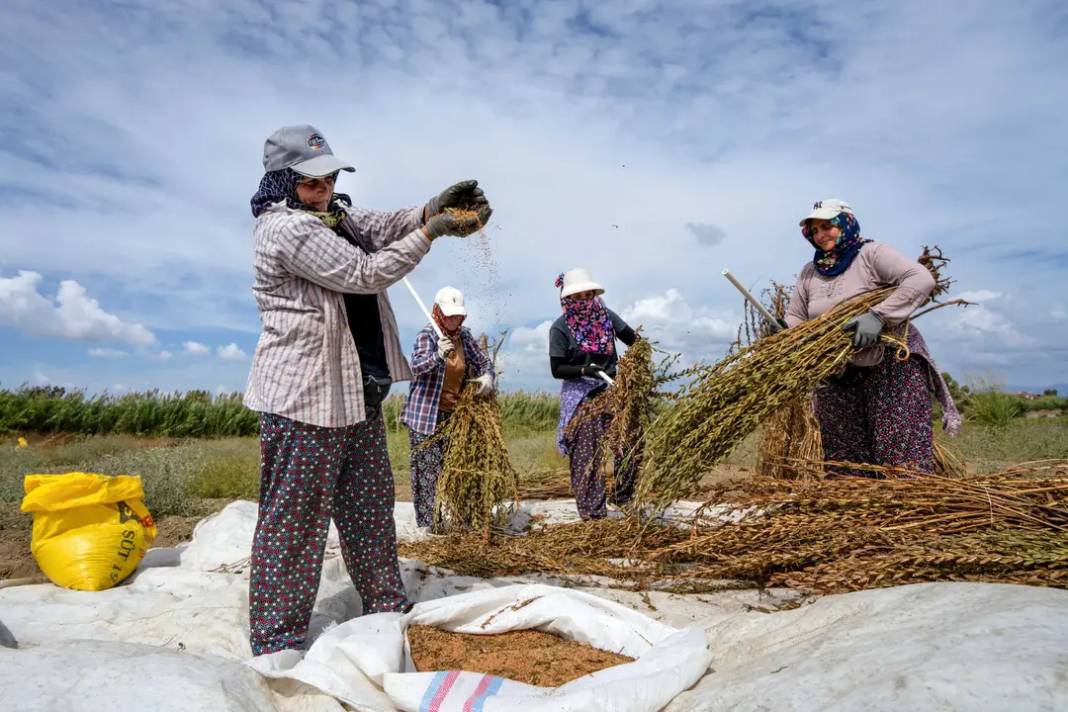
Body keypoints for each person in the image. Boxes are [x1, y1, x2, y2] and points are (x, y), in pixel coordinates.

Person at [243, 124, 492, 655]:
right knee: (296, 518)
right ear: (283, 181)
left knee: (370, 506)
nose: (324, 188)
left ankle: (385, 605)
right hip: (305, 398)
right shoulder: (285, 230)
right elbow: (363, 272)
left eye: (329, 178)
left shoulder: (336, 217)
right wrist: (432, 234)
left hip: (356, 391)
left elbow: (382, 224)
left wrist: (430, 209)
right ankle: (276, 640)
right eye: (311, 182)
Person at [785, 198, 960, 474]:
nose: (820, 235)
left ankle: (907, 508)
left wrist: (879, 317)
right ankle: (859, 511)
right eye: (814, 230)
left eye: (827, 226)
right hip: (839, 369)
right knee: (845, 453)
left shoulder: (871, 254)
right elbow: (795, 316)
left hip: (890, 361)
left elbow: (920, 279)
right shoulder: (810, 272)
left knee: (899, 449)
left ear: (845, 224)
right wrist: (789, 335)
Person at [548, 268, 641, 519]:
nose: (584, 300)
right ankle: (593, 513)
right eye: (578, 296)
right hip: (581, 393)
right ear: (567, 299)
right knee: (587, 452)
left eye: (587, 294)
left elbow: (634, 339)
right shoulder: (560, 328)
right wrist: (583, 369)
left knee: (631, 440)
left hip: (612, 388)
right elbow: (557, 369)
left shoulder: (606, 316)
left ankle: (624, 497)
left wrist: (635, 365)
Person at [401, 286, 494, 530]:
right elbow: (416, 367)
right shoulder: (427, 336)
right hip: (426, 417)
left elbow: (483, 361)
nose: (454, 320)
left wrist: (488, 376)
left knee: (458, 467)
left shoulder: (464, 337)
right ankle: (429, 525)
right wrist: (437, 356)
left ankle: (464, 521)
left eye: (458, 316)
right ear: (439, 313)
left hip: (455, 415)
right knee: (428, 472)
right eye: (450, 315)